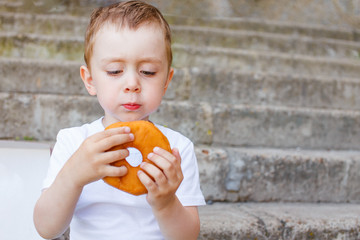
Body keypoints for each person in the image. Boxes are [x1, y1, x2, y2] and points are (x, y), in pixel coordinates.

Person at [33, 1, 206, 239]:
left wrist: (166, 203)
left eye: (148, 72)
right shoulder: (74, 142)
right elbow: (46, 228)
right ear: (90, 79)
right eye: (115, 71)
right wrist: (72, 176)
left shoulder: (176, 150)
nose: (132, 84)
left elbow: (187, 236)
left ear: (166, 80)